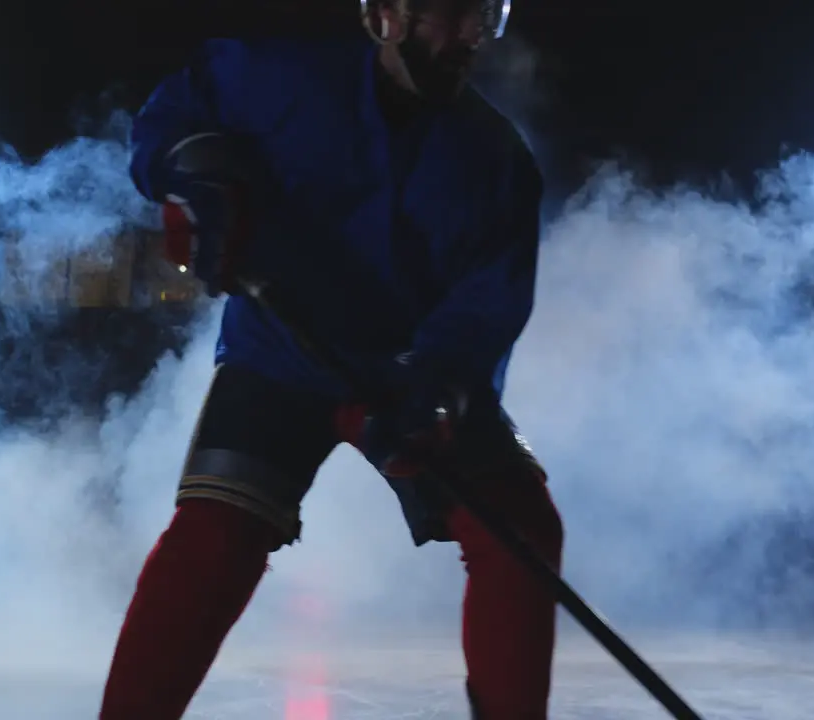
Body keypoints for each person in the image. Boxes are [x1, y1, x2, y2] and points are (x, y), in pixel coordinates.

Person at [100, 0, 563, 717]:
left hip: (413, 374)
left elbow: (486, 312)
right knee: (216, 534)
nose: (474, 36)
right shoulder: (274, 80)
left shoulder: (498, 162)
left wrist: (433, 394)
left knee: (523, 532)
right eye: (453, 13)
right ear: (385, 14)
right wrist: (199, 170)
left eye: (487, 16)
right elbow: (176, 115)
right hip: (279, 359)